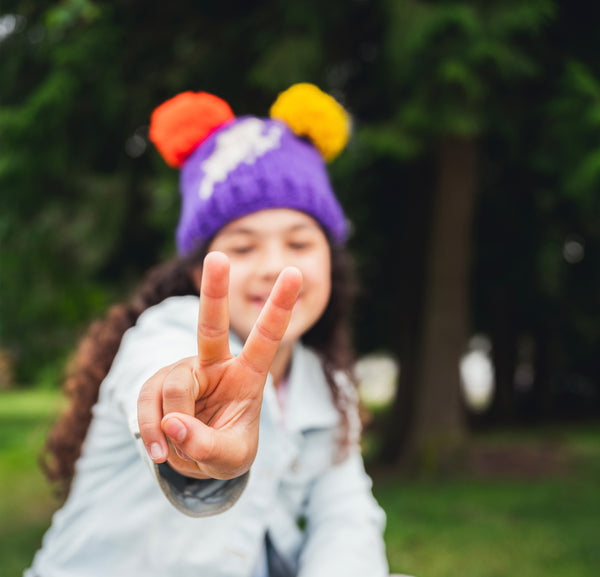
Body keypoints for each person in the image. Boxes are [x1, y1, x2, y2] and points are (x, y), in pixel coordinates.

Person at [25, 83, 390, 577]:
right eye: (243, 248)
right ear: (201, 274)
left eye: (300, 243)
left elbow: (345, 522)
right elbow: (162, 375)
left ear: (332, 261)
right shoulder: (168, 330)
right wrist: (187, 431)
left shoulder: (327, 384)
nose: (274, 267)